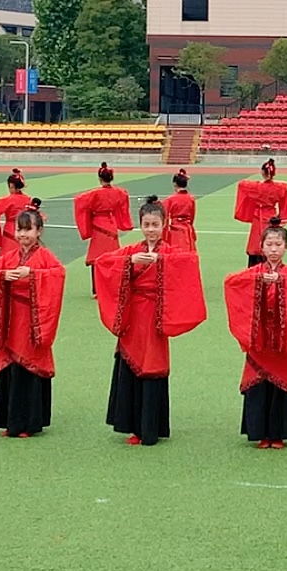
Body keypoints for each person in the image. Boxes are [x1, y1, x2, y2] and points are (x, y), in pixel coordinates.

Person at [94, 197, 207, 446]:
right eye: (146, 224)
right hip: (134, 318)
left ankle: (151, 427)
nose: (151, 229)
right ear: (140, 225)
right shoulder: (131, 250)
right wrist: (128, 263)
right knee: (130, 366)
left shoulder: (170, 252)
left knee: (153, 366)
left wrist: (162, 261)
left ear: (163, 224)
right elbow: (103, 264)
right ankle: (134, 427)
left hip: (156, 317)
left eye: (155, 224)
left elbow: (189, 262)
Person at [224, 219, 287, 448]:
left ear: (286, 247)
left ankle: (279, 434)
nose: (274, 249)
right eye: (269, 244)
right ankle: (261, 433)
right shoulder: (253, 273)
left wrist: (282, 281)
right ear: (262, 247)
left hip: (284, 340)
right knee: (260, 386)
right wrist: (258, 280)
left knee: (281, 385)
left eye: (278, 245)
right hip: (260, 339)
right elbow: (231, 282)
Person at [0, 208, 67, 438]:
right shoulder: (9, 257)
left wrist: (33, 274)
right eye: (19, 229)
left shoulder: (45, 256)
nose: (22, 234)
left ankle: (28, 423)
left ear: (39, 231)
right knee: (12, 367)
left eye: (28, 229)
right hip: (12, 318)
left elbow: (58, 274)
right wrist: (2, 275)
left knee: (29, 366)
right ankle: (10, 421)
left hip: (34, 320)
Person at [75, 163, 134, 297]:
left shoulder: (95, 194)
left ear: (100, 178)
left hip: (99, 224)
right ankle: (113, 286)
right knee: (113, 257)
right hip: (111, 224)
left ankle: (96, 290)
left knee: (96, 258)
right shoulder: (119, 192)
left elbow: (80, 202)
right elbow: (123, 203)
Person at [235, 158, 287, 266]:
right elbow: (286, 189)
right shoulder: (280, 187)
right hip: (271, 216)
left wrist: (263, 181)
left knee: (255, 244)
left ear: (262, 172)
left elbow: (241, 184)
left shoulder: (255, 186)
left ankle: (254, 268)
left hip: (258, 216)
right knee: (271, 240)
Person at [0, 169, 34, 250]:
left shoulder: (9, 200)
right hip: (26, 230)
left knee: (7, 257)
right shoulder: (28, 200)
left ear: (12, 186)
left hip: (11, 231)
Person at [162, 170, 198, 252]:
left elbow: (165, 217)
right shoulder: (191, 199)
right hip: (187, 229)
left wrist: (164, 234)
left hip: (174, 230)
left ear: (175, 184)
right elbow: (192, 217)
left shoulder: (170, 199)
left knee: (174, 252)